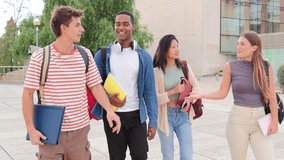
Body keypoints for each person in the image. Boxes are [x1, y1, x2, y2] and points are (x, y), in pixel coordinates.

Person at [22, 6, 121, 160]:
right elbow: (27, 94)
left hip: (80, 133)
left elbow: (95, 86)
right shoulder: (40, 57)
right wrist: (30, 128)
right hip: (50, 133)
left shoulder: (85, 54)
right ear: (64, 28)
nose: (82, 29)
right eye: (77, 25)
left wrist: (109, 110)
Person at [187, 31, 278, 160]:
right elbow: (221, 93)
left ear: (254, 47)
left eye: (242, 44)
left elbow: (272, 97)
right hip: (238, 120)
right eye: (237, 44)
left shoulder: (266, 66)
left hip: (260, 120)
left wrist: (274, 121)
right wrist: (201, 94)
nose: (238, 47)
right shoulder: (230, 66)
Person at [93, 11, 158, 160]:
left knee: (140, 156)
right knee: (116, 157)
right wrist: (109, 99)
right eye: (117, 24)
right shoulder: (102, 56)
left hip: (137, 118)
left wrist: (153, 121)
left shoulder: (144, 57)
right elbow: (93, 86)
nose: (121, 27)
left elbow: (149, 92)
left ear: (133, 27)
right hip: (113, 116)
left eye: (125, 24)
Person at [152, 34, 200, 160]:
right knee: (168, 155)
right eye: (173, 47)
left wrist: (189, 101)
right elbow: (154, 99)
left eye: (177, 46)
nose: (177, 49)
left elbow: (196, 88)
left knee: (187, 155)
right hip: (165, 116)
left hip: (183, 115)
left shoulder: (184, 67)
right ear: (164, 49)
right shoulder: (156, 72)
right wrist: (173, 91)